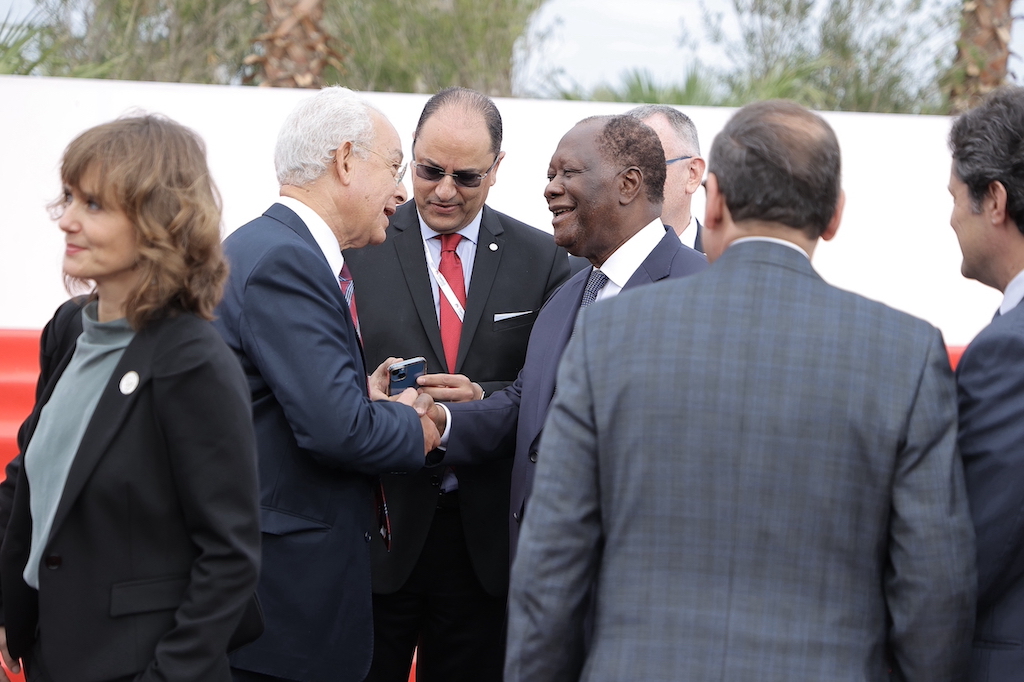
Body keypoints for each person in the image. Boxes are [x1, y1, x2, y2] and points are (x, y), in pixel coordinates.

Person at [504, 100, 977, 682]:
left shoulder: (607, 335)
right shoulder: (906, 353)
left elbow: (551, 565)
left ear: (716, 199)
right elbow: (935, 589)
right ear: (834, 216)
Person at [0, 115, 261, 682]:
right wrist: (9, 611)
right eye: (69, 197)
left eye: (93, 205)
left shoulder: (193, 361)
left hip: (139, 666)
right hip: (52, 655)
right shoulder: (71, 330)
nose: (66, 218)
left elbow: (229, 558)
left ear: (156, 223)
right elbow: (30, 479)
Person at [212, 87, 441, 682]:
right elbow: (336, 430)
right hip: (283, 612)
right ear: (345, 161)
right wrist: (418, 422)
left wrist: (358, 392)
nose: (402, 192)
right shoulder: (286, 262)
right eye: (395, 168)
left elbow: (289, 403)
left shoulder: (273, 249)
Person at [345, 87, 570, 682]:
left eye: (466, 176)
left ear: (497, 170)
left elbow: (549, 386)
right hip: (378, 532)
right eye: (429, 171)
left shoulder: (542, 259)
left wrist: (483, 401)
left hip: (482, 541)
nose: (444, 191)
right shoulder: (359, 246)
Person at [435, 114, 707, 565]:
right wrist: (438, 424)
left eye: (568, 172)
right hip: (541, 580)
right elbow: (526, 408)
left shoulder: (703, 290)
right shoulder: (563, 299)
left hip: (637, 583)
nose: (550, 188)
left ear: (628, 184)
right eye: (549, 175)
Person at [947, 85, 1024, 681]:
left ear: (993, 200)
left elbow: (968, 551)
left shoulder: (1011, 350)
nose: (949, 219)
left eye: (954, 198)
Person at [626, 104, 705, 251]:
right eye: (620, 170)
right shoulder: (584, 271)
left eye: (647, 165)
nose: (630, 182)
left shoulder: (733, 265)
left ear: (692, 174)